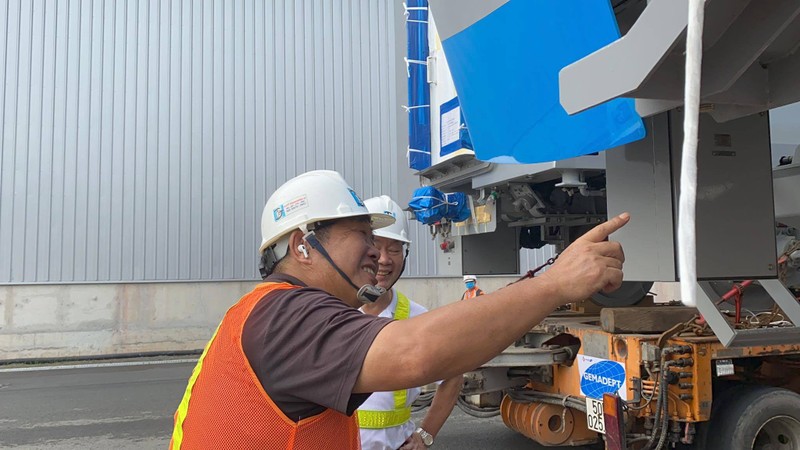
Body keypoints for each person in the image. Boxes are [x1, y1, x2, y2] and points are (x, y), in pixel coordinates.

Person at [170, 169, 629, 450]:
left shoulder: (268, 312)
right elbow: (415, 353)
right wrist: (553, 284)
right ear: (303, 246)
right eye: (362, 237)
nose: (376, 254)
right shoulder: (284, 316)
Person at [358, 196, 462, 450]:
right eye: (375, 246)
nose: (384, 259)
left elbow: (453, 377)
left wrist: (426, 435)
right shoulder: (330, 310)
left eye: (394, 249)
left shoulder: (416, 318)